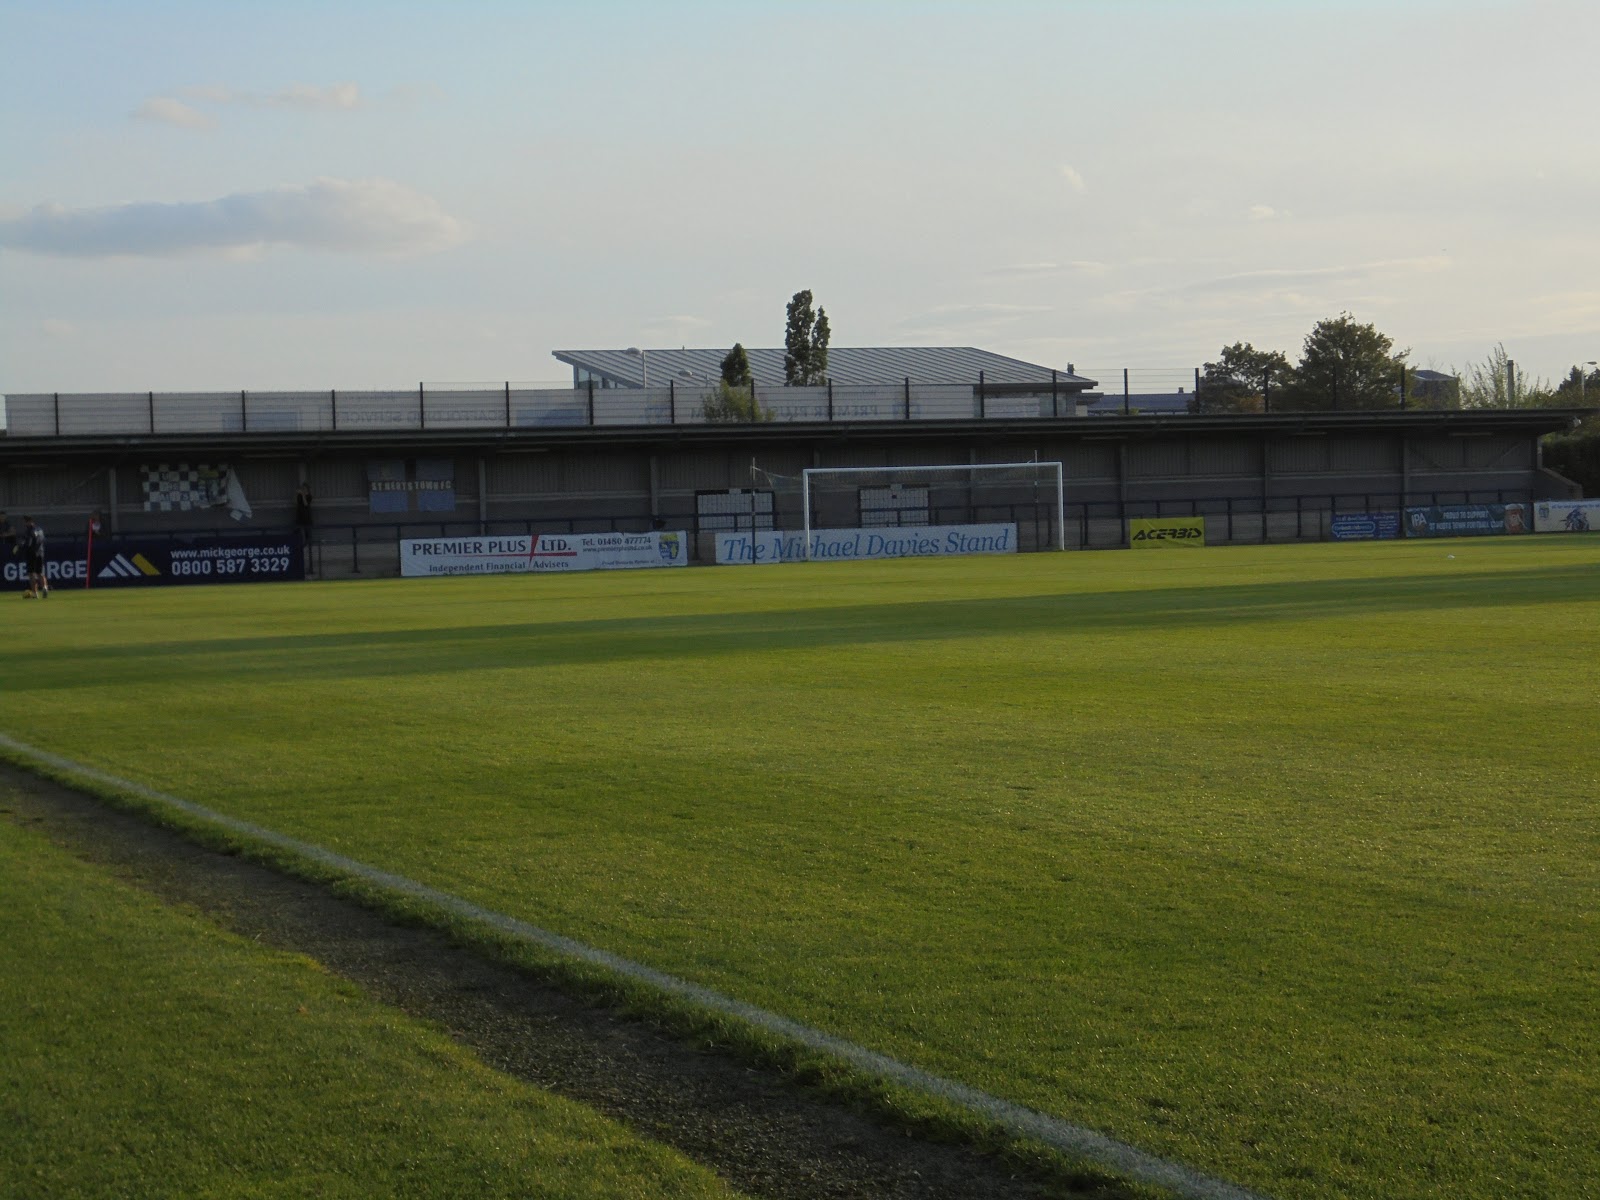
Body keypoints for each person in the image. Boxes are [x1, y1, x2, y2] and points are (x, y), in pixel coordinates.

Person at [21, 516, 48, 599]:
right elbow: (43, 540)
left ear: (28, 521)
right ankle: (45, 588)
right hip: (40, 553)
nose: (24, 524)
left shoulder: (29, 531)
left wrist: (21, 546)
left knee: (31, 573)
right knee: (40, 573)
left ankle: (35, 593)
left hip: (31, 554)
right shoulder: (40, 530)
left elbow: (28, 543)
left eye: (25, 522)